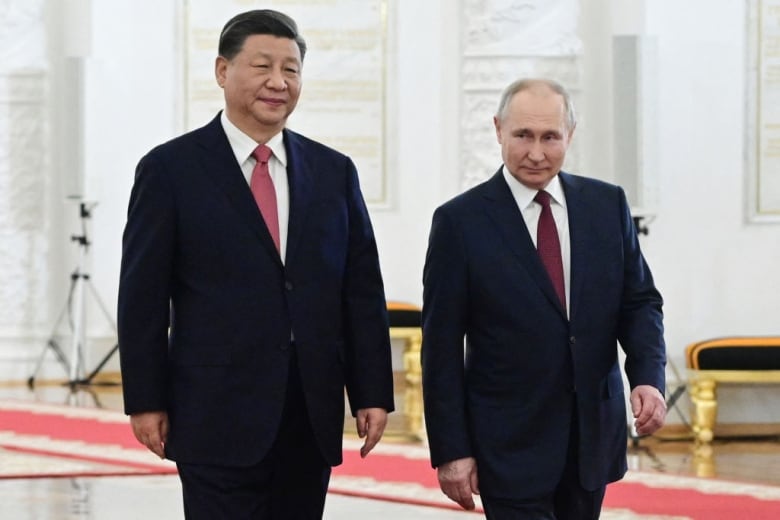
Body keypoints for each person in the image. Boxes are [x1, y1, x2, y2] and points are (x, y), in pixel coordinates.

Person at [117, 9, 394, 519]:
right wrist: (145, 398)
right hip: (213, 409)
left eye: (291, 69)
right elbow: (143, 297)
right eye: (262, 65)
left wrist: (372, 390)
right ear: (223, 71)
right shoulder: (170, 170)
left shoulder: (333, 172)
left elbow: (359, 290)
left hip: (308, 411)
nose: (278, 82)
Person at [421, 78, 667, 519]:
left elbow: (639, 302)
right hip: (507, 445)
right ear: (498, 130)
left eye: (550, 137)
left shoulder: (606, 206)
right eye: (523, 136)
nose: (536, 152)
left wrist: (647, 376)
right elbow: (440, 348)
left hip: (591, 439)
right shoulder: (460, 222)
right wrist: (451, 449)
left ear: (570, 135)